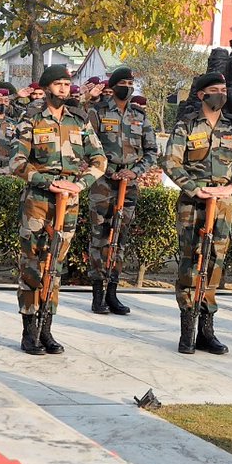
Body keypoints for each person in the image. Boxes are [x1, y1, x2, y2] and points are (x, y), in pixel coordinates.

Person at [10, 66, 107, 355]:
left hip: (70, 202)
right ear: (46, 88)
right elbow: (17, 163)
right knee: (32, 265)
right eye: (59, 84)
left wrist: (80, 185)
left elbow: (99, 159)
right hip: (39, 201)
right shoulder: (31, 118)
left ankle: (47, 329)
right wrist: (49, 182)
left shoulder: (79, 119)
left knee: (56, 266)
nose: (64, 89)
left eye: (67, 84)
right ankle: (29, 331)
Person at [162, 72, 232, 355]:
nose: (222, 93)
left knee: (215, 261)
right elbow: (171, 161)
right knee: (191, 261)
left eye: (224, 89)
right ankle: (187, 329)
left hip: (223, 203)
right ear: (202, 94)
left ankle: (207, 329)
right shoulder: (187, 124)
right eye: (215, 89)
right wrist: (194, 188)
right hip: (193, 203)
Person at [86, 67, 157, 315]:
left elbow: (151, 152)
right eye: (123, 82)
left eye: (131, 82)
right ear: (114, 85)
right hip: (103, 183)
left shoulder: (140, 116)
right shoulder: (97, 112)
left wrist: (135, 172)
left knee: (120, 237)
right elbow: (87, 146)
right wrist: (107, 170)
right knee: (100, 236)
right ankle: (97, 293)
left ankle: (113, 292)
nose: (127, 86)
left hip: (130, 184)